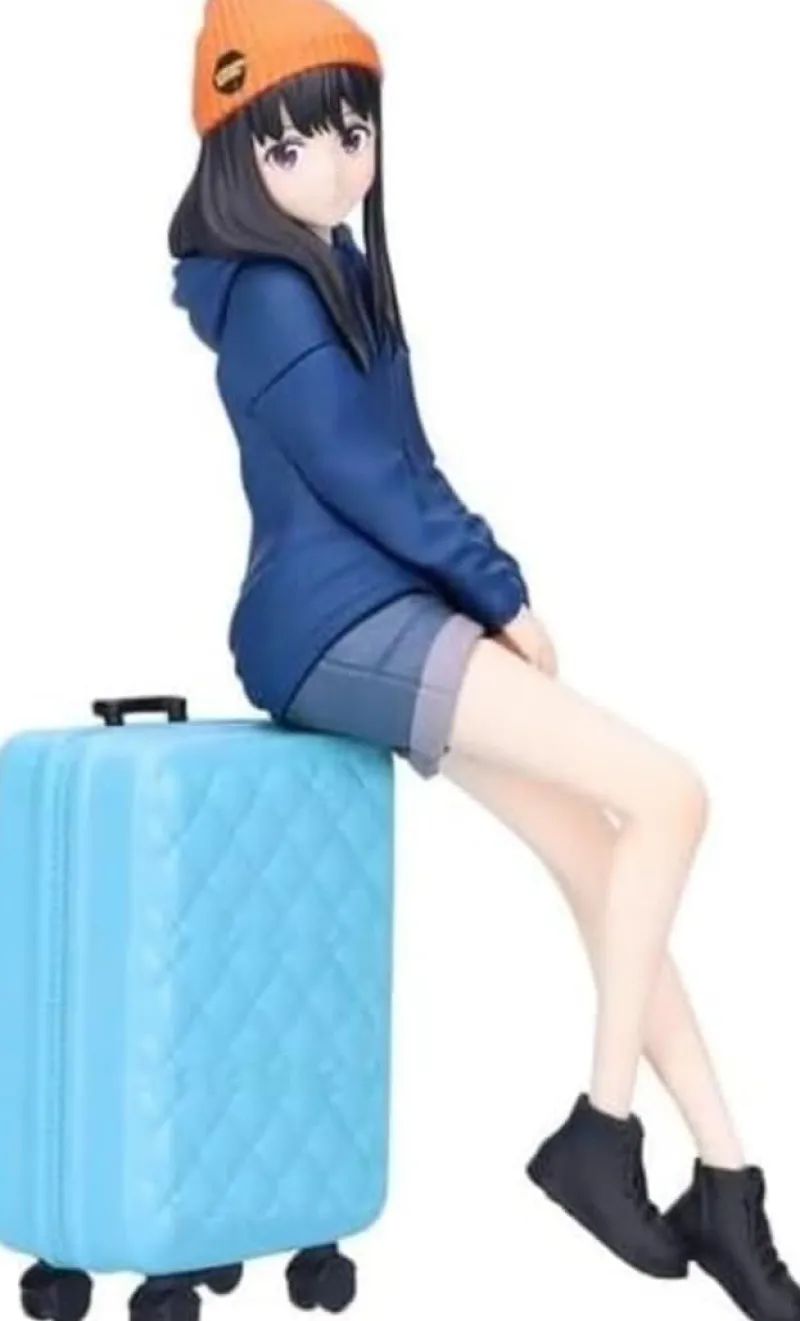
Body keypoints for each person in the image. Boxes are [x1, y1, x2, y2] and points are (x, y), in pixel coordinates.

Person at [169, 1, 800, 1315]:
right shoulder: (273, 295)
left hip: (380, 612)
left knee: (602, 858)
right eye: (292, 143)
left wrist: (482, 586)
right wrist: (499, 589)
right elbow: (368, 477)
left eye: (354, 130)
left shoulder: (335, 267)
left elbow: (406, 460)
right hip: (336, 626)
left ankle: (728, 1183)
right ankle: (601, 1130)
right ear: (238, 157)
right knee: (671, 796)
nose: (338, 161)